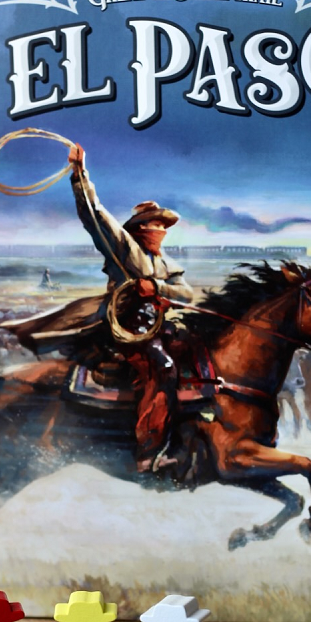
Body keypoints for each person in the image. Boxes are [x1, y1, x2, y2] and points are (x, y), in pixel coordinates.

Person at [67, 144, 194, 471]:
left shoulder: (167, 264)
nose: (162, 230)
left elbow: (187, 294)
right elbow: (94, 215)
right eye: (156, 224)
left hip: (158, 326)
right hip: (126, 328)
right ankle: (148, 451)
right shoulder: (123, 248)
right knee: (163, 367)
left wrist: (158, 288)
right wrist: (80, 175)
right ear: (140, 229)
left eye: (164, 226)